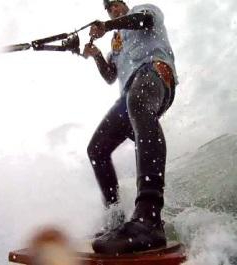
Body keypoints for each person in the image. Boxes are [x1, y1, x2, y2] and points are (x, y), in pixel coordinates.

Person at [83, 0, 178, 254]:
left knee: (137, 101)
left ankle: (150, 216)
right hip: (127, 96)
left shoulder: (142, 11)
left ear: (123, 4)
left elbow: (143, 21)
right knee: (96, 149)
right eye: (108, 8)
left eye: (115, 4)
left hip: (156, 75)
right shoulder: (116, 41)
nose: (112, 9)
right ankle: (115, 220)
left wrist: (106, 26)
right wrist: (97, 56)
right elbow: (110, 76)